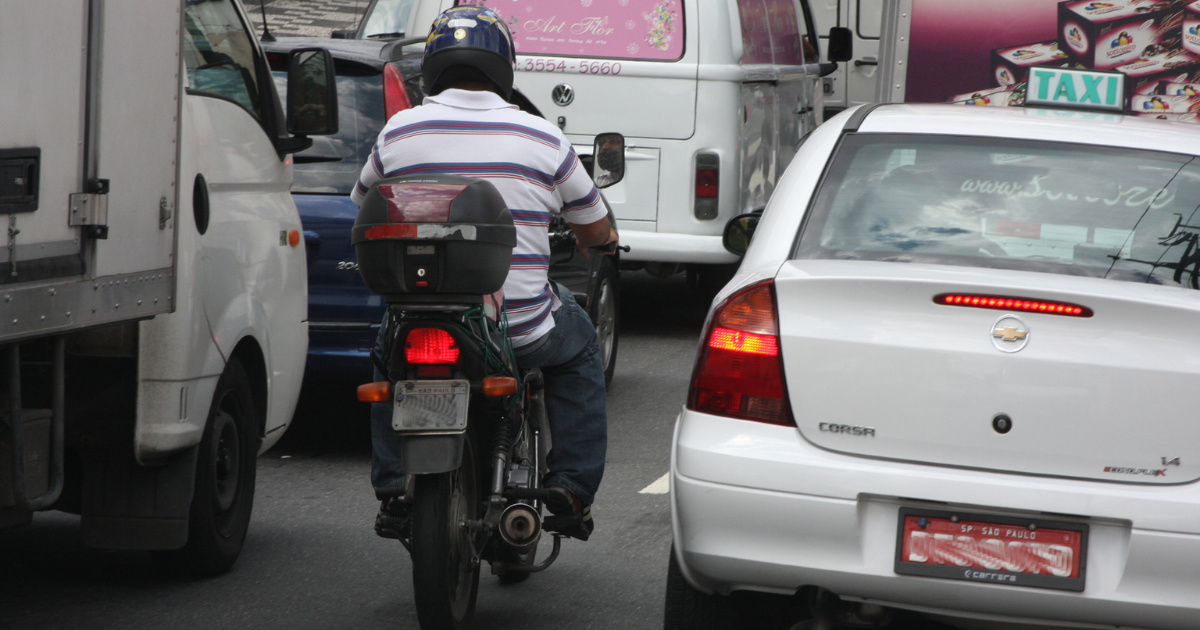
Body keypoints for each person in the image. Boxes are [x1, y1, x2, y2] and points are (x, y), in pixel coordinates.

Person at [350, 5, 617, 542]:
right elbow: (596, 229)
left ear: (434, 64)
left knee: (386, 355)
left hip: (419, 321)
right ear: (503, 67)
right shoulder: (543, 138)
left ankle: (392, 488)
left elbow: (361, 206)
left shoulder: (399, 133)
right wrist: (600, 243)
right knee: (583, 344)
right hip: (515, 332)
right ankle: (569, 488)